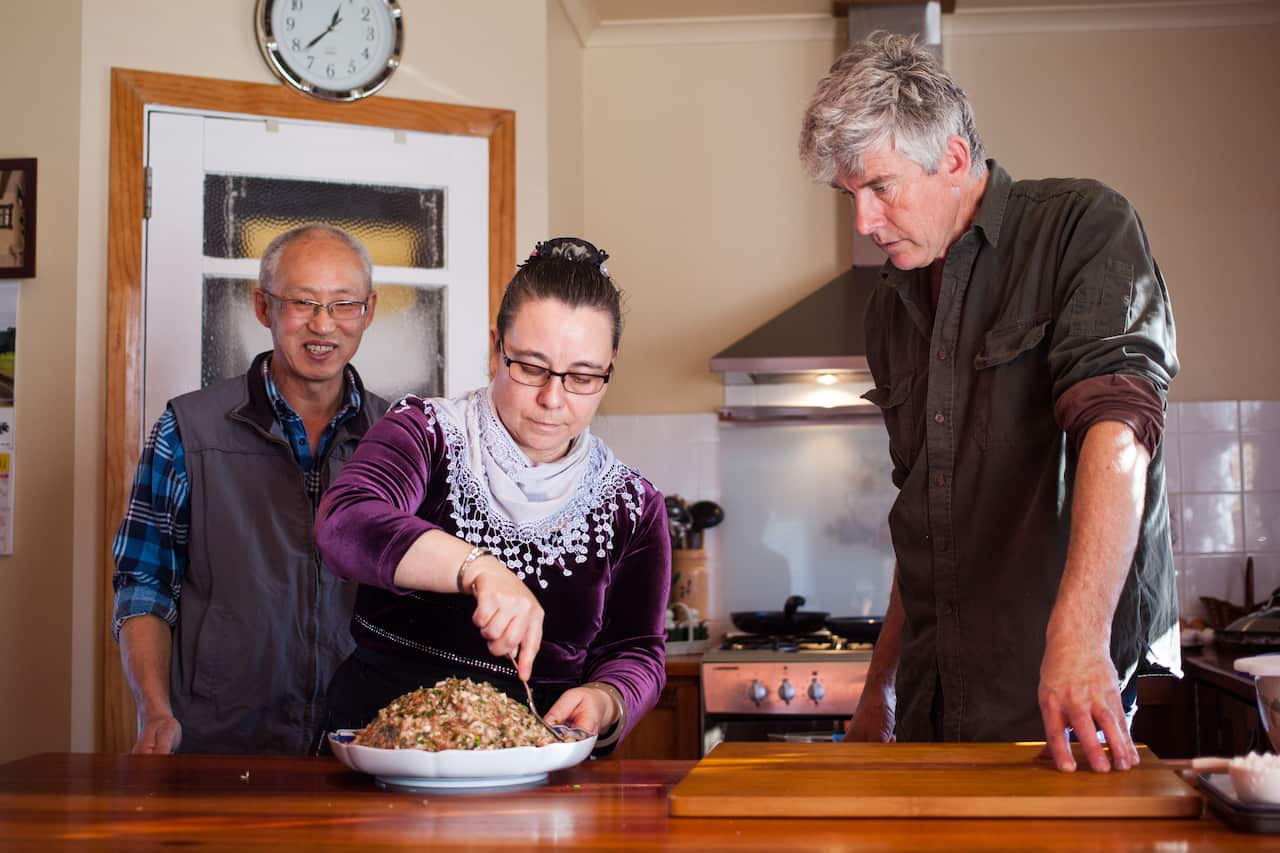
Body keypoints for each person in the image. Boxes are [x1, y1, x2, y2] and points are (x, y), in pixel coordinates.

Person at [798, 33, 1178, 773]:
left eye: (879, 188)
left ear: (953, 158)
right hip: (938, 696)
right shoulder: (889, 308)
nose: (863, 224)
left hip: (1062, 688)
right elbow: (926, 515)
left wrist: (1079, 634)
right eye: (850, 196)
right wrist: (883, 685)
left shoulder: (1080, 227)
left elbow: (1120, 427)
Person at [315, 237, 670, 751]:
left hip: (536, 770)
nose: (553, 399)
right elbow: (345, 522)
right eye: (529, 367)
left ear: (609, 368)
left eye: (583, 376)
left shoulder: (632, 508)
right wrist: (477, 568)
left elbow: (637, 651)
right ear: (494, 350)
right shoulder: (427, 434)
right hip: (385, 755)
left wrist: (607, 697)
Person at [112, 223, 386, 755]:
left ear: (368, 311)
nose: (323, 325)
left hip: (367, 746)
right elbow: (143, 583)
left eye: (343, 304)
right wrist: (154, 711)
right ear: (264, 308)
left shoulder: (399, 437)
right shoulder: (187, 430)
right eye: (302, 302)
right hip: (222, 743)